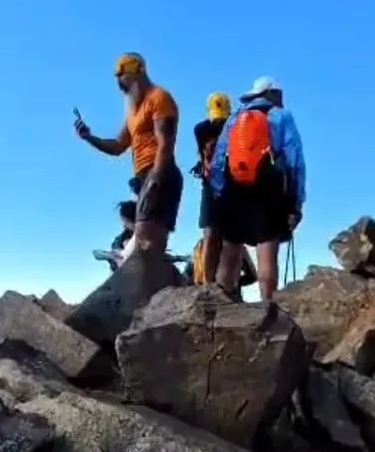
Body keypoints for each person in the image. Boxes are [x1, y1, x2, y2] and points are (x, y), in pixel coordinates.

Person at [207, 76, 306, 301]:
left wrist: (221, 195)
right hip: (267, 189)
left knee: (230, 252)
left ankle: (218, 309)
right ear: (271, 94)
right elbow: (294, 161)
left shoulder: (235, 118)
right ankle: (268, 310)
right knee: (267, 251)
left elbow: (218, 161)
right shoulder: (281, 117)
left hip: (235, 189)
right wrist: (296, 201)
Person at [74, 52, 183, 254]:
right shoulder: (133, 111)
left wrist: (155, 179)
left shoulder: (159, 98)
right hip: (144, 176)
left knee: (149, 243)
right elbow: (117, 146)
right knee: (141, 238)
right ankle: (137, 264)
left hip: (161, 173)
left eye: (121, 77)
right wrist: (89, 137)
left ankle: (165, 275)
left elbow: (166, 142)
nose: (119, 85)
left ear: (136, 73)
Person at [191, 92, 257, 289]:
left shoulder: (239, 127)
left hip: (234, 187)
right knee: (210, 235)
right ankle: (208, 285)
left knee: (232, 241)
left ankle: (229, 287)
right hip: (210, 186)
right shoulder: (201, 129)